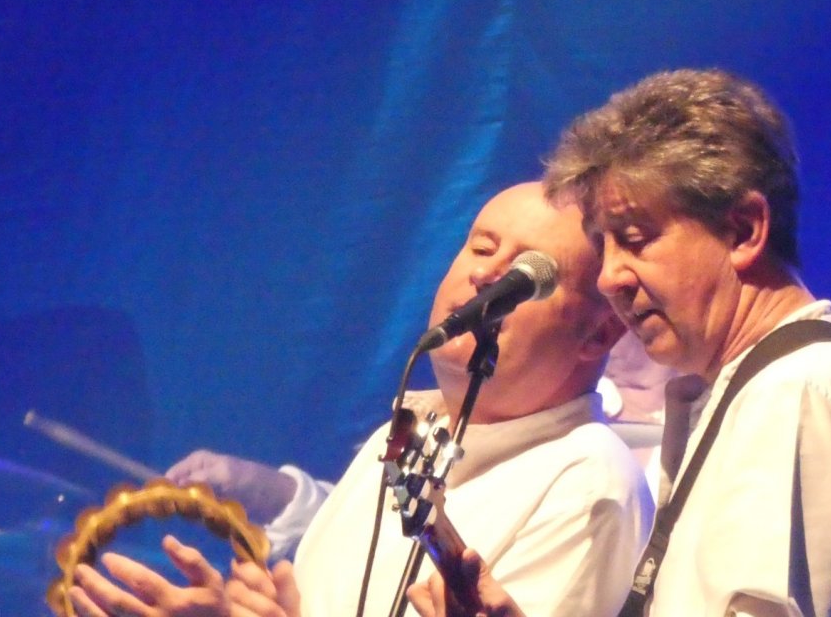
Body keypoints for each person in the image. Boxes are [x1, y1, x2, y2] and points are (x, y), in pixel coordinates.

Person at [409, 69, 831, 617]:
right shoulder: (770, 391)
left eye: (635, 240)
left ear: (744, 231)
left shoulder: (798, 392)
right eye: (604, 248)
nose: (609, 279)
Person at [67, 181, 655, 617]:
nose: (486, 278)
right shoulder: (400, 438)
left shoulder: (587, 482)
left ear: (600, 334)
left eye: (529, 276)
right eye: (481, 249)